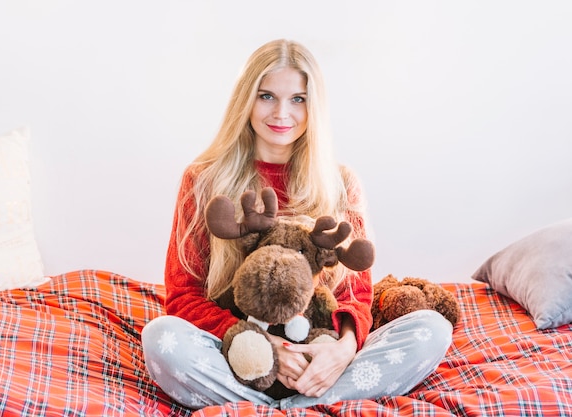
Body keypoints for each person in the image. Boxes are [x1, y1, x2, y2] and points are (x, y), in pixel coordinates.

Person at [141, 39, 453, 410]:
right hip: (239, 353)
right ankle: (301, 406)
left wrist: (342, 350)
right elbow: (182, 296)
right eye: (266, 96)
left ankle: (273, 407)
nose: (281, 113)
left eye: (298, 99)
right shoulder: (204, 179)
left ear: (314, 106)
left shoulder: (341, 183)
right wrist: (265, 347)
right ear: (246, 100)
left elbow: (355, 295)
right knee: (161, 337)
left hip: (320, 353)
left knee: (432, 330)